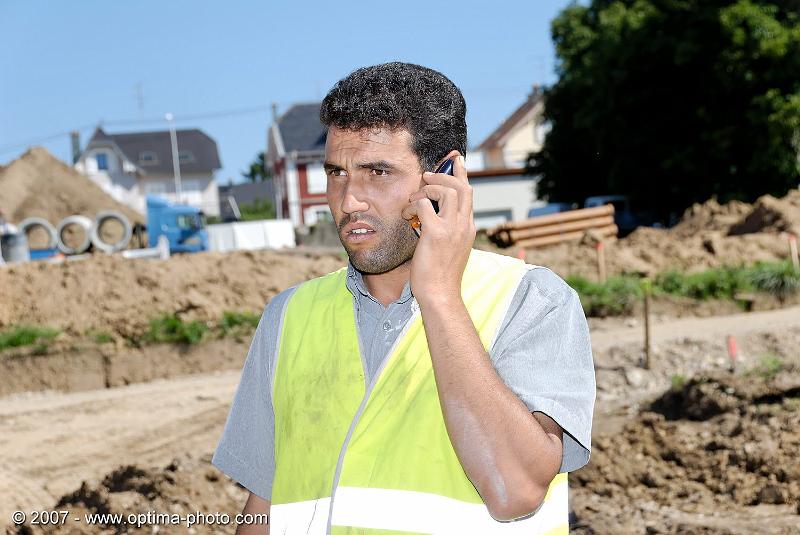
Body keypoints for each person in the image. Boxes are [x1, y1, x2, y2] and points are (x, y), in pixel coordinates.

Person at [213, 62, 595, 535]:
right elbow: (266, 507)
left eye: (378, 172)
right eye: (337, 173)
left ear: (445, 177)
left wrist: (437, 295)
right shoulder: (288, 316)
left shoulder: (533, 301)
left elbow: (515, 491)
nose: (349, 200)